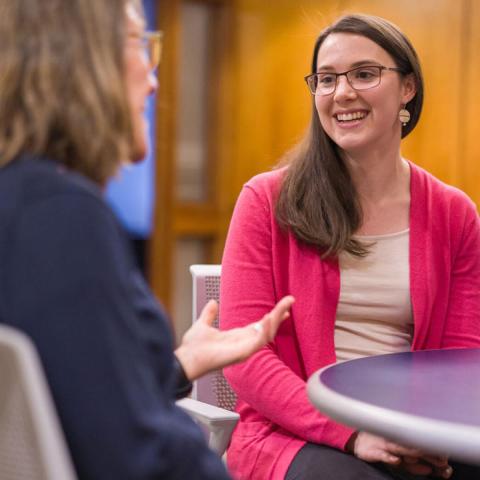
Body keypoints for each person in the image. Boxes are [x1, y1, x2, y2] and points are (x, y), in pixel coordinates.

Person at [0, 0, 294, 479]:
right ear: (84, 61)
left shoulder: (22, 201)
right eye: (139, 43)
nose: (153, 79)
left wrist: (184, 363)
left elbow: (78, 391)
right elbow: (137, 458)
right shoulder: (59, 218)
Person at [220, 13, 480, 480]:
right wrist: (352, 434)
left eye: (364, 74)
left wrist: (427, 434)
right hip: (292, 432)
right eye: (326, 79)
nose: (342, 93)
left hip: (414, 427)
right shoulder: (265, 201)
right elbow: (245, 355)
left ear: (408, 89)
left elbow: (461, 361)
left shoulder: (455, 214)